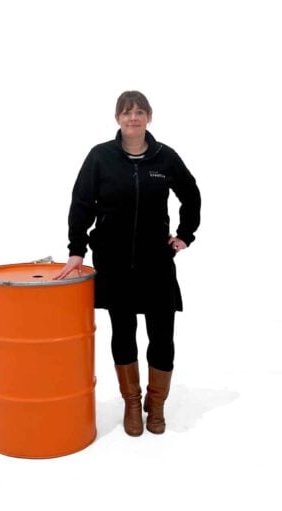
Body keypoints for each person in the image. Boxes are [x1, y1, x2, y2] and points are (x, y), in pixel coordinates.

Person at [55, 90, 201, 436]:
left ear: (149, 116)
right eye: (126, 112)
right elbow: (81, 203)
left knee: (162, 335)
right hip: (114, 263)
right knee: (123, 333)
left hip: (156, 263)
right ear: (117, 118)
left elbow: (191, 193)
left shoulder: (165, 158)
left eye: (139, 112)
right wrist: (77, 250)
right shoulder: (100, 157)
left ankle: (157, 404)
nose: (133, 118)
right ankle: (132, 403)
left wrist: (185, 234)